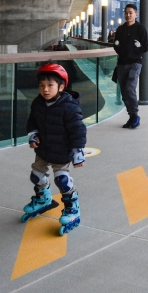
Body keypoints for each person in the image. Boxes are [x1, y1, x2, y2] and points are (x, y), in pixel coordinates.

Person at [23, 63, 87, 235]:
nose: (45, 89)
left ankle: (72, 207)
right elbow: (32, 122)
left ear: (61, 87)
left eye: (50, 85)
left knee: (62, 180)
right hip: (43, 149)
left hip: (62, 151)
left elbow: (78, 130)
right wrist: (33, 135)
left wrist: (78, 151)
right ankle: (43, 198)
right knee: (36, 176)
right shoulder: (38, 103)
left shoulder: (69, 107)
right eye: (41, 85)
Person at [113, 3, 148, 129]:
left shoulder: (140, 29)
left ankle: (135, 115)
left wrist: (136, 48)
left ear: (136, 14)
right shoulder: (120, 29)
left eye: (130, 13)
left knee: (129, 88)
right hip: (122, 64)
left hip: (135, 63)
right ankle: (131, 116)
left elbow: (145, 47)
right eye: (126, 13)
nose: (128, 15)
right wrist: (119, 48)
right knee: (124, 92)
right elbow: (115, 45)